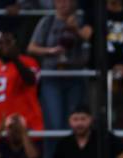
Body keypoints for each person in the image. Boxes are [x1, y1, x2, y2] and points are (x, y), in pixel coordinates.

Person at [28, 0, 92, 130]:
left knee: (72, 123)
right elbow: (31, 48)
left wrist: (75, 30)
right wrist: (50, 51)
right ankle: (52, 151)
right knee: (53, 123)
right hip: (51, 78)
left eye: (67, 1)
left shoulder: (82, 21)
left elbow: (89, 38)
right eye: (59, 1)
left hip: (74, 77)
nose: (63, 4)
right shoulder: (47, 22)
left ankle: (69, 150)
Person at [0, 31, 44, 131]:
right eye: (0, 43)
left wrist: (16, 59)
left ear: (16, 44)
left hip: (27, 127)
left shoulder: (29, 62)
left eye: (8, 42)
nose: (4, 46)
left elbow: (31, 81)